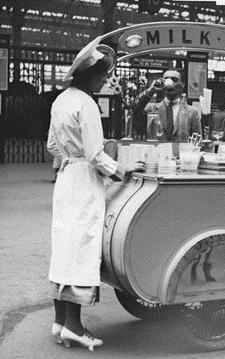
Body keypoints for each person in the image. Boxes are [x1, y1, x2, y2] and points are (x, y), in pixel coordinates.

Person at [46, 38, 144, 351]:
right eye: (102, 76)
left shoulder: (61, 100)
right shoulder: (87, 104)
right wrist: (123, 172)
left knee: (63, 246)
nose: (104, 81)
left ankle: (60, 321)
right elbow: (96, 154)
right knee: (82, 247)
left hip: (65, 180)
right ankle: (74, 326)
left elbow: (51, 146)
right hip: (85, 181)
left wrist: (67, 156)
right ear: (89, 76)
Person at [132, 68, 201, 142]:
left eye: (174, 80)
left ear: (182, 83)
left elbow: (197, 141)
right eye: (166, 80)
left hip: (181, 152)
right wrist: (151, 90)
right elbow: (135, 111)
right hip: (158, 152)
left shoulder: (192, 112)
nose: (170, 83)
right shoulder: (151, 109)